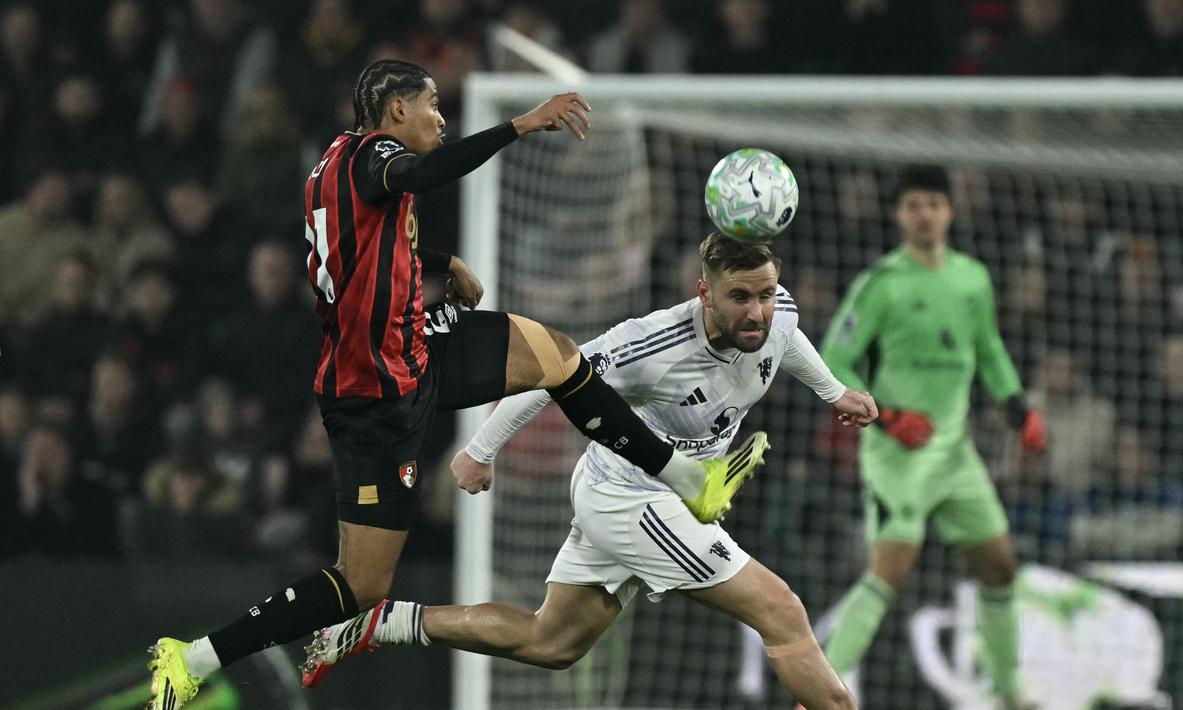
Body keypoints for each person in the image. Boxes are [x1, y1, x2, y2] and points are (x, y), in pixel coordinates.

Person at [145, 58, 758, 709]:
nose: (441, 117)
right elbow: (419, 172)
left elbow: (349, 253)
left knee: (556, 356)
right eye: (432, 105)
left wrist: (438, 262)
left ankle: (687, 478)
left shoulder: (330, 163)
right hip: (377, 398)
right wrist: (519, 125)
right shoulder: (377, 155)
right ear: (396, 111)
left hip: (415, 345)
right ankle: (197, 657)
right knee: (360, 583)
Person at [300, 234, 876, 710]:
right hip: (630, 496)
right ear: (704, 292)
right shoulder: (650, 345)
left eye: (766, 295)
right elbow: (551, 372)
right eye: (739, 297)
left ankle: (382, 623)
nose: (756, 312)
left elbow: (787, 339)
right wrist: (480, 449)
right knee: (782, 611)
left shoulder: (777, 316)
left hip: (665, 492)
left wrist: (834, 391)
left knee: (551, 642)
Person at [818, 164, 1047, 710]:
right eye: (913, 204)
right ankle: (817, 694)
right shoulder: (881, 283)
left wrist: (1018, 408)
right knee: (890, 569)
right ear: (899, 215)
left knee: (998, 566)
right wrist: (888, 416)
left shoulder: (972, 278)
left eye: (934, 204)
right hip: (897, 452)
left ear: (950, 211)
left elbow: (988, 349)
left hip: (954, 452)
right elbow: (832, 359)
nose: (924, 214)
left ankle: (1009, 692)